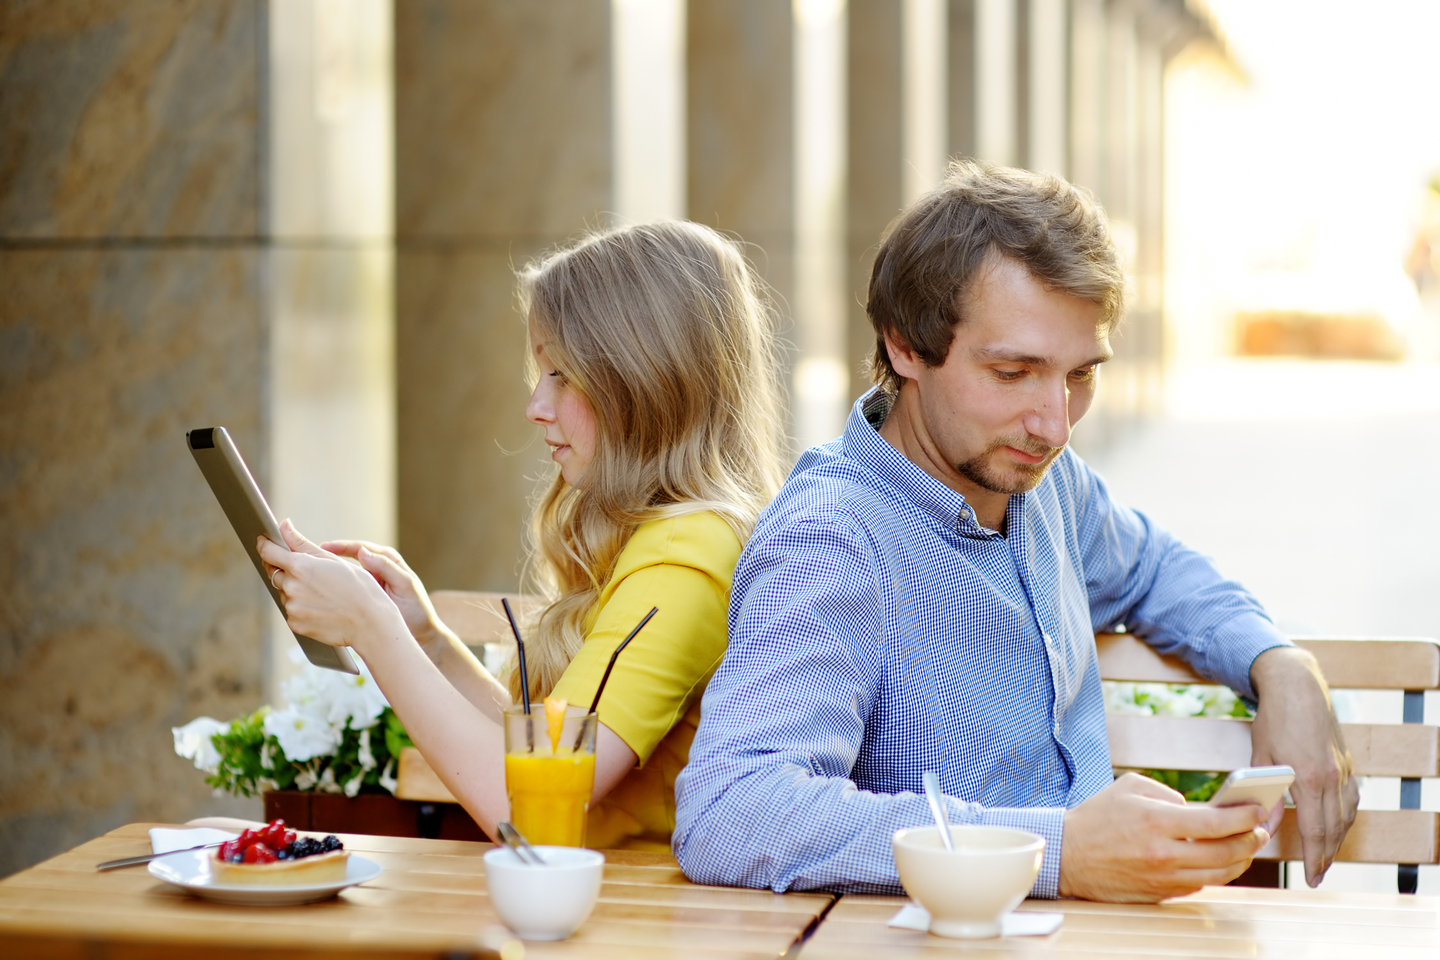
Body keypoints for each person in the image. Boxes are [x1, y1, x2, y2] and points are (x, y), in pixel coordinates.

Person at [672, 160, 1358, 902]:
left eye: (1080, 375)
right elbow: (729, 809)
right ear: (905, 345)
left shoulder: (1044, 482)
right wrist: (1055, 852)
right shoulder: (832, 540)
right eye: (1012, 373)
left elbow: (1155, 569)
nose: (1055, 424)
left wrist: (1281, 666)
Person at [258, 220, 787, 850]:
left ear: (645, 383)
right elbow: (545, 756)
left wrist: (372, 629)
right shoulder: (674, 536)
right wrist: (427, 641)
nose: (536, 406)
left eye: (562, 375)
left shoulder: (687, 557)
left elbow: (533, 810)